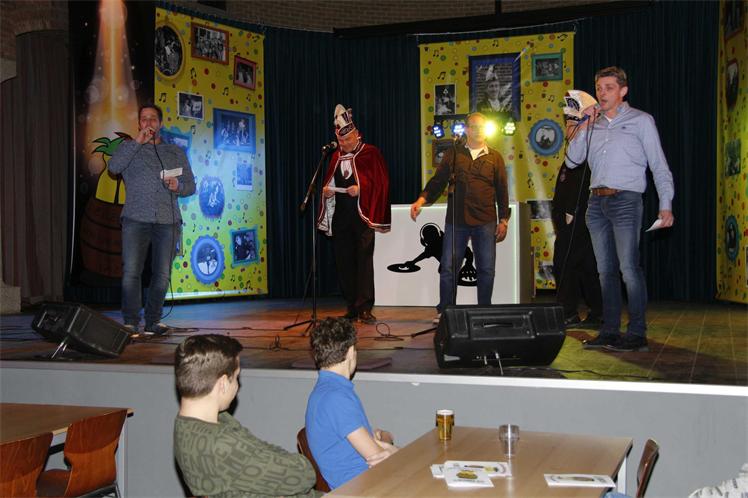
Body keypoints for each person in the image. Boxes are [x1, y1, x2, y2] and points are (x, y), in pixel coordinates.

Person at [565, 66, 674, 352]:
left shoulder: (641, 121)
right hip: (595, 203)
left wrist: (665, 204)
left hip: (626, 200)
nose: (602, 93)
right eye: (599, 88)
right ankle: (610, 331)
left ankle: (637, 332)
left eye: (609, 88)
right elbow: (572, 160)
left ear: (623, 91)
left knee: (628, 268)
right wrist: (584, 125)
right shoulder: (593, 125)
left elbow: (659, 165)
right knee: (605, 271)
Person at [173, 335, 317, 498]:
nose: (238, 386)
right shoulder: (222, 444)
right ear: (223, 384)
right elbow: (304, 475)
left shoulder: (189, 424)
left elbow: (259, 450)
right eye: (236, 378)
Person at [410, 112, 509, 323]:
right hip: (457, 220)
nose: (478, 130)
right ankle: (445, 311)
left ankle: (484, 312)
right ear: (466, 129)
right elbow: (438, 181)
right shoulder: (454, 154)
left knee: (486, 269)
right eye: (474, 126)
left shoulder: (495, 157)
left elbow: (502, 190)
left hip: (485, 220)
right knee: (448, 267)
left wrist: (504, 220)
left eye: (482, 127)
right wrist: (421, 199)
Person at [108, 104, 196, 336]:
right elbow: (113, 168)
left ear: (161, 124)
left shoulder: (175, 152)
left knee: (162, 274)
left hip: (168, 221)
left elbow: (191, 186)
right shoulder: (129, 148)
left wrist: (178, 186)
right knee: (131, 272)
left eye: (153, 118)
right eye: (144, 119)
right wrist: (137, 141)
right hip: (135, 219)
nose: (148, 122)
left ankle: (153, 321)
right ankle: (130, 322)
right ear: (139, 124)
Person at [317, 105, 391, 324]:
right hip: (341, 216)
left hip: (362, 215)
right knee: (344, 262)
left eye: (348, 140)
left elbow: (382, 183)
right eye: (341, 141)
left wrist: (361, 189)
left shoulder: (371, 153)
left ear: (357, 134)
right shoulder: (335, 157)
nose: (345, 145)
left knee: (364, 262)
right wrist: (328, 192)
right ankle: (351, 306)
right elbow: (330, 180)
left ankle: (365, 307)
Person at [305, 318, 397, 489]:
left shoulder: (328, 390)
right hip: (363, 488)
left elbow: (376, 446)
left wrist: (385, 437)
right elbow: (378, 458)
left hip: (367, 483)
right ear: (350, 351)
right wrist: (395, 450)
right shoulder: (336, 398)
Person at [551, 153, 603, 329]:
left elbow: (584, 186)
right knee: (577, 265)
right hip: (566, 222)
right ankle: (587, 312)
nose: (569, 139)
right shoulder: (571, 158)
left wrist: (571, 211)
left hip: (579, 220)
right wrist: (558, 215)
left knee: (576, 265)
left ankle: (581, 312)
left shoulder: (587, 158)